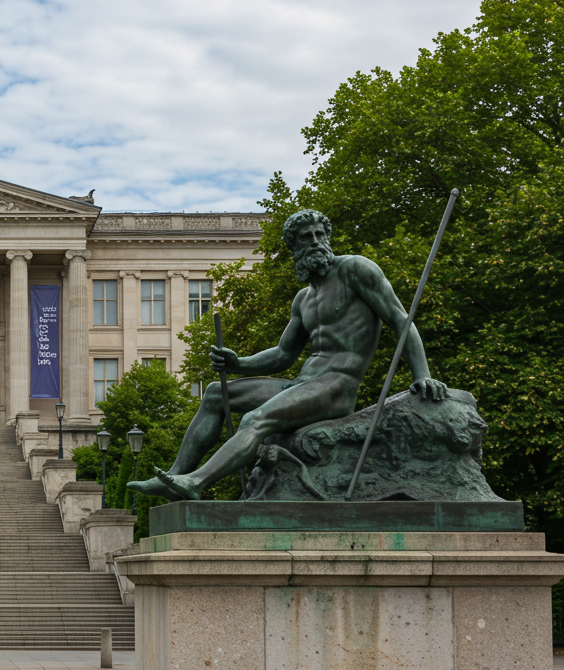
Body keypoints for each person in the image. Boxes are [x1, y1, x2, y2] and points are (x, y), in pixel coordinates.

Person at [129, 209, 447, 501]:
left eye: (319, 234)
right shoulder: (303, 299)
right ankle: (175, 477)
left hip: (337, 386)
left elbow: (400, 321)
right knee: (215, 393)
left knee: (256, 419)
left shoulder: (355, 270)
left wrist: (422, 375)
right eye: (305, 237)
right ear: (294, 248)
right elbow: (283, 354)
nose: (315, 242)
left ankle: (196, 483)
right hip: (302, 383)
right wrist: (238, 363)